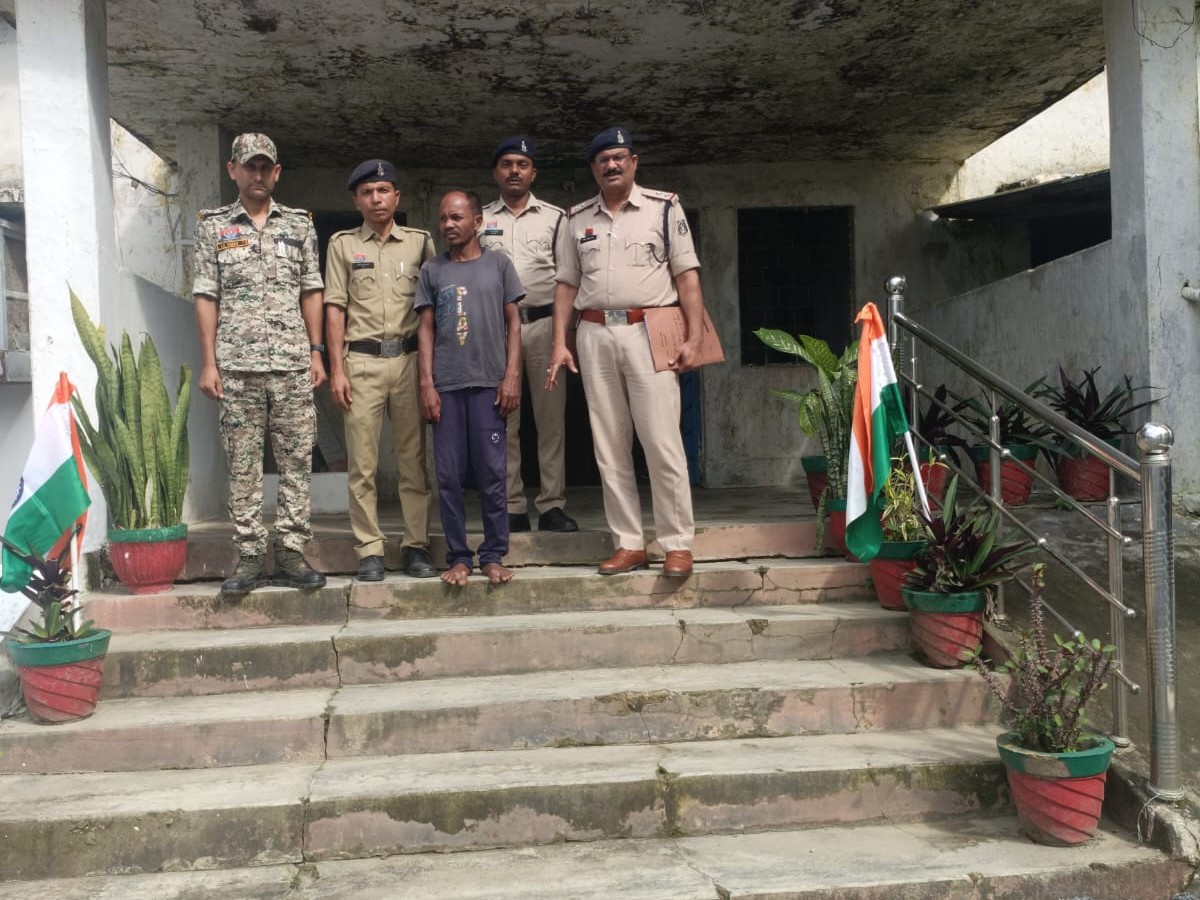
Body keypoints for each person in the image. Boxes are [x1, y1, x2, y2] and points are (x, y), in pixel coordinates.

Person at [547, 127, 708, 578]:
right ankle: (629, 542)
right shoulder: (576, 219)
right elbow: (566, 285)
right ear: (593, 168)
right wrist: (559, 342)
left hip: (648, 330)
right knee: (609, 444)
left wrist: (694, 337)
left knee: (661, 440)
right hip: (594, 333)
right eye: (603, 160)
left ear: (634, 162)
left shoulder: (664, 208)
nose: (612, 165)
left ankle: (677, 543)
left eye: (619, 157)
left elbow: (687, 278)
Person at [193, 132, 327, 593]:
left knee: (297, 460)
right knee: (243, 464)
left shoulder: (299, 225)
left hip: (291, 363)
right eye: (249, 166)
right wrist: (208, 362)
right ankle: (249, 556)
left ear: (276, 172)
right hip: (236, 366)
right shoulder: (213, 226)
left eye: (265, 167)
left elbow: (312, 289)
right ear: (233, 170)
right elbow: (206, 295)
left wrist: (316, 352)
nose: (257, 174)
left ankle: (290, 552)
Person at [324, 159, 437, 582]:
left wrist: (430, 372)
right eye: (367, 193)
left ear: (396, 196)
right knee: (363, 465)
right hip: (362, 362)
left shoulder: (420, 243)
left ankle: (416, 545)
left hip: (409, 361)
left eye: (384, 190)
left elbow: (431, 311)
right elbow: (335, 308)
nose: (376, 199)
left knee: (413, 461)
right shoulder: (342, 245)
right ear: (357, 200)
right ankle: (369, 548)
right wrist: (337, 369)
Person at [416, 191, 524, 586]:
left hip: (488, 385)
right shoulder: (433, 270)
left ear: (477, 222)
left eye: (457, 217)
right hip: (447, 386)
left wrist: (511, 376)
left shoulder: (499, 265)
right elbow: (425, 330)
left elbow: (514, 323)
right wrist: (427, 384)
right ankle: (459, 557)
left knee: (493, 474)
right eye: (443, 218)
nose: (448, 224)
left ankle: (493, 554)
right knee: (448, 477)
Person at [479, 136, 578, 535]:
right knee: (504, 420)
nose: (514, 171)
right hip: (497, 330)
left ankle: (552, 505)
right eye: (506, 164)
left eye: (522, 164)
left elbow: (567, 279)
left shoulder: (555, 218)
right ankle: (512, 506)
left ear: (533, 173)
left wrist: (564, 336)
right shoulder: (481, 219)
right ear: (496, 173)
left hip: (544, 326)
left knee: (551, 421)